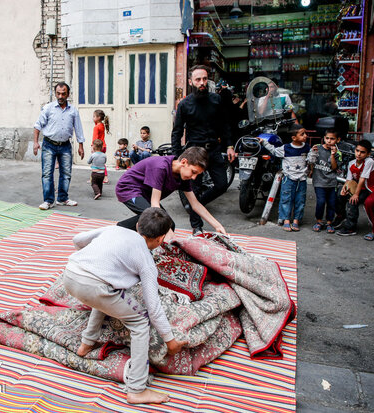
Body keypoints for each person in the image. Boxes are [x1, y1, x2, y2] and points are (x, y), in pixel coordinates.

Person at [62, 207, 186, 404]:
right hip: (94, 287)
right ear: (161, 239)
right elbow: (153, 309)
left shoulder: (115, 230)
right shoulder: (146, 260)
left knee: (109, 295)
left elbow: (77, 239)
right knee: (140, 322)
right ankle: (137, 389)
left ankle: (86, 344)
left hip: (70, 275)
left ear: (137, 226)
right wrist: (170, 341)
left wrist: (93, 259)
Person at [170, 65, 236, 235]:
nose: (202, 83)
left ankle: (196, 204)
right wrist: (177, 156)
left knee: (221, 185)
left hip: (213, 149)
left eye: (205, 79)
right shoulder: (184, 104)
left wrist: (229, 146)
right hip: (194, 152)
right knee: (194, 188)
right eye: (198, 79)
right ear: (191, 81)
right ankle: (196, 227)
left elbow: (226, 124)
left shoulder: (216, 100)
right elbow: (177, 132)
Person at [115, 147, 227, 237]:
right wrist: (172, 238)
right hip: (128, 189)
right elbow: (155, 204)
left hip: (146, 194)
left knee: (169, 225)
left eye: (197, 174)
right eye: (193, 172)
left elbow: (195, 204)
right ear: (184, 162)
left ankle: (132, 237)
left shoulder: (183, 176)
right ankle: (117, 230)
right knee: (158, 221)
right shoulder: (161, 167)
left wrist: (217, 225)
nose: (194, 178)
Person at [33, 82, 85, 210]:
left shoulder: (73, 111)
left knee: (66, 173)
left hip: (65, 145)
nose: (60, 96)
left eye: (63, 93)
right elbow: (37, 125)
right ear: (55, 93)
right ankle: (48, 200)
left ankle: (62, 198)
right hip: (49, 145)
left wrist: (81, 145)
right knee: (47, 173)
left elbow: (78, 129)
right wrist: (35, 142)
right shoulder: (48, 108)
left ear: (68, 94)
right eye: (58, 93)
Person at [259, 123, 310, 231]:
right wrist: (263, 142)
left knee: (300, 200)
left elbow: (311, 160)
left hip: (302, 179)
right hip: (288, 178)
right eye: (302, 134)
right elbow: (273, 150)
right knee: (286, 199)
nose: (305, 136)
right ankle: (286, 220)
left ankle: (296, 220)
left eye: (305, 133)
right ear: (294, 138)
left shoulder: (307, 148)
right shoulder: (286, 148)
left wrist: (314, 153)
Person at [336, 140, 374, 236]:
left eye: (362, 152)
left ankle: (351, 227)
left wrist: (355, 195)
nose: (359, 154)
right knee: (338, 194)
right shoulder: (351, 163)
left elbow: (362, 180)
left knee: (352, 201)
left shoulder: (369, 162)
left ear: (368, 154)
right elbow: (349, 180)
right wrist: (343, 190)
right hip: (357, 187)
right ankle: (341, 216)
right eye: (357, 151)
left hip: (368, 189)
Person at [308, 129, 341, 233]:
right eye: (327, 138)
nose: (329, 141)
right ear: (324, 138)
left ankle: (329, 222)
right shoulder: (317, 148)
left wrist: (332, 155)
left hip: (331, 182)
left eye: (332, 139)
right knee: (321, 201)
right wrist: (311, 170)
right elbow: (311, 161)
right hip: (319, 181)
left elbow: (334, 167)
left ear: (337, 140)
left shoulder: (337, 153)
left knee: (331, 203)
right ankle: (319, 221)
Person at [92, 109, 109, 183]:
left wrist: (93, 147)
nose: (93, 118)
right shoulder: (102, 125)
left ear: (98, 117)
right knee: (101, 163)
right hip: (103, 146)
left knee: (96, 163)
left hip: (98, 147)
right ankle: (102, 177)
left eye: (94, 116)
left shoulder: (96, 127)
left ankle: (104, 177)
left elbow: (95, 138)